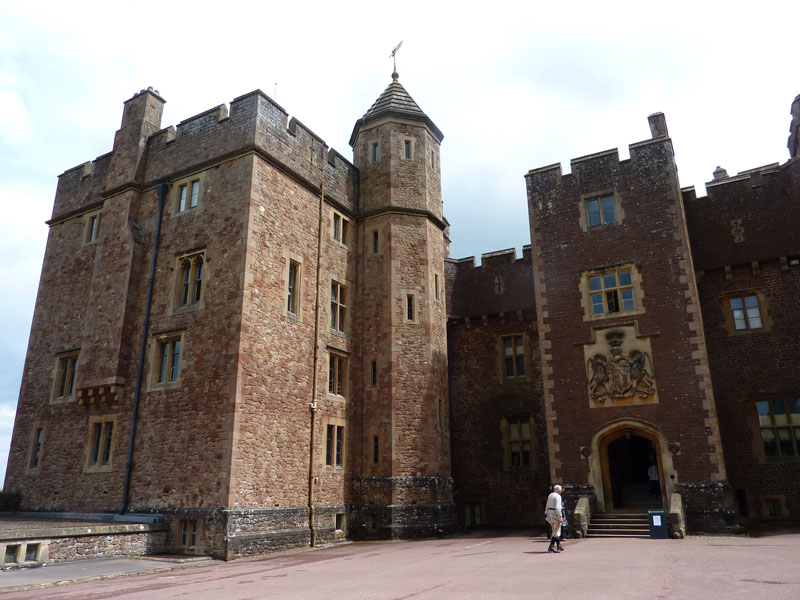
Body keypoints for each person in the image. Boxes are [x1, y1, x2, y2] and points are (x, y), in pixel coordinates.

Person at [545, 484, 565, 553]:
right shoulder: (558, 496)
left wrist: (546, 512)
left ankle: (559, 545)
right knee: (556, 531)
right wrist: (560, 517)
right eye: (561, 490)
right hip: (555, 514)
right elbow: (558, 507)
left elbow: (547, 504)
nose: (561, 491)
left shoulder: (550, 495)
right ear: (559, 490)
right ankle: (551, 545)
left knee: (554, 530)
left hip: (550, 513)